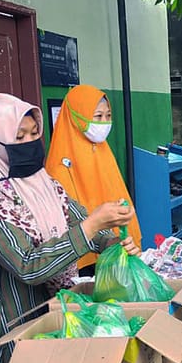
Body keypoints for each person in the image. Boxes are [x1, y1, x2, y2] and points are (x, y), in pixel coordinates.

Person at [0, 93, 137, 363]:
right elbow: (29, 265)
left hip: (51, 315)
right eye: (18, 137)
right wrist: (93, 225)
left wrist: (115, 242)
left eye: (33, 134)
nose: (29, 143)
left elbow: (83, 225)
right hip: (6, 327)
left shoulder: (46, 186)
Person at [45, 84, 141, 271]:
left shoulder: (102, 150)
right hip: (82, 256)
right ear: (76, 116)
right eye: (98, 116)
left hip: (114, 245)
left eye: (108, 116)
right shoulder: (60, 165)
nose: (104, 122)